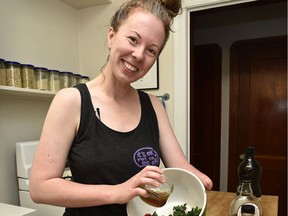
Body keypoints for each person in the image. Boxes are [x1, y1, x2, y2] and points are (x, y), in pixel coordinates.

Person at [30, 0, 213, 215]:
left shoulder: (154, 106)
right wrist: (118, 192)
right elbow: (40, 187)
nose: (138, 55)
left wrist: (200, 180)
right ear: (111, 36)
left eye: (151, 51)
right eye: (133, 39)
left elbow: (179, 164)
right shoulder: (71, 101)